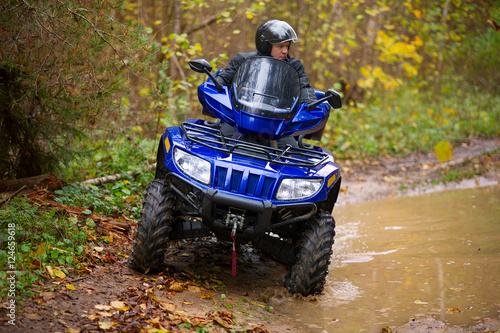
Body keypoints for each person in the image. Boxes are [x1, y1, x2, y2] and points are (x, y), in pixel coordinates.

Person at [214, 19, 317, 105]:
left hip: (279, 121)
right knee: (224, 129)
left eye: (287, 46)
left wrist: (311, 104)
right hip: (239, 117)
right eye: (280, 46)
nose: (285, 51)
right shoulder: (242, 60)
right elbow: (222, 80)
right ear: (266, 46)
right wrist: (215, 84)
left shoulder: (294, 66)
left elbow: (304, 88)